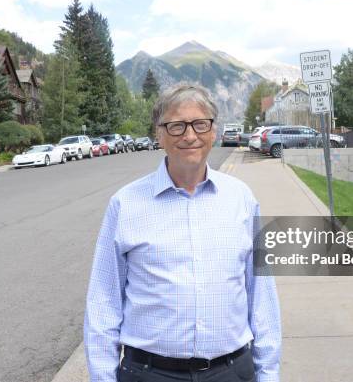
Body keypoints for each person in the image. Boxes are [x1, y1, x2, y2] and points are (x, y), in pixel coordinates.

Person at [84, 83, 281, 382]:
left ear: (213, 131)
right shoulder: (125, 204)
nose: (190, 136)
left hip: (231, 372)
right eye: (176, 126)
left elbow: (262, 296)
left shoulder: (242, 199)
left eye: (200, 124)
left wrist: (268, 374)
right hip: (150, 374)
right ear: (159, 134)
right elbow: (103, 302)